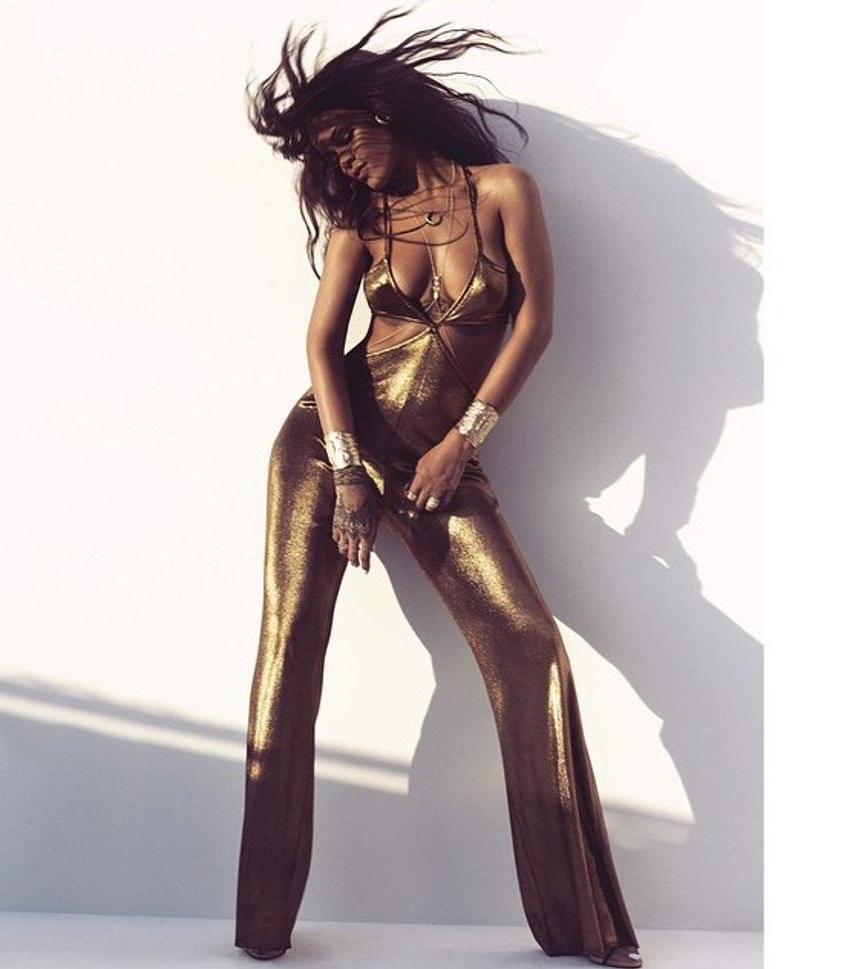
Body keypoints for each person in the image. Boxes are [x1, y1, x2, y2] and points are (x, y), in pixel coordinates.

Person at [233, 8, 643, 967]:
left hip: (438, 456)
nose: (341, 160)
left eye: (345, 137)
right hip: (325, 444)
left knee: (529, 648)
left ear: (386, 113)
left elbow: (535, 324)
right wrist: (346, 472)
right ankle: (260, 924)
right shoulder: (360, 225)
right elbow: (321, 347)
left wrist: (464, 442)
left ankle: (580, 923)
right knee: (290, 648)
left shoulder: (502, 191)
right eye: (324, 153)